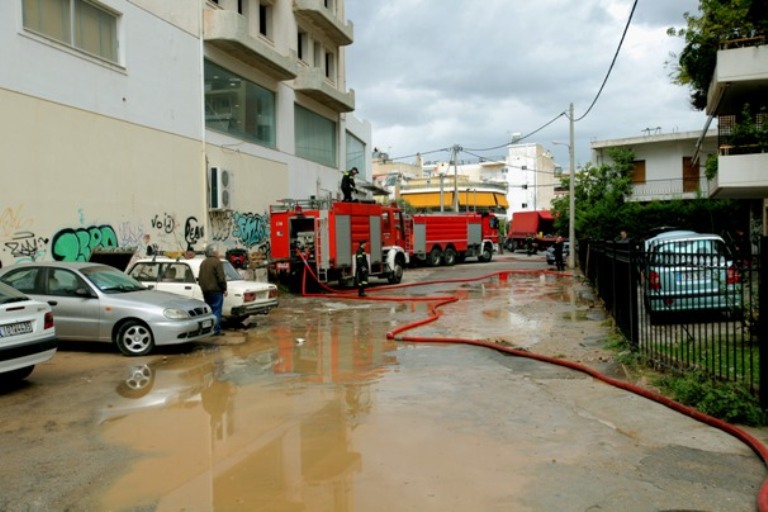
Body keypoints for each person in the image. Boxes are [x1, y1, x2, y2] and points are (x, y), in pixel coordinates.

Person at [199, 244, 228, 335]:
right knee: (216, 311)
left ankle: (209, 330)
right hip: (216, 291)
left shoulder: (203, 262)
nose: (218, 253)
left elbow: (200, 277)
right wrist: (224, 289)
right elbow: (221, 278)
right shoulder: (217, 262)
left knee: (210, 311)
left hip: (205, 291)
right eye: (217, 252)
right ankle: (216, 330)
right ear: (214, 252)